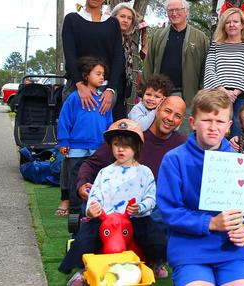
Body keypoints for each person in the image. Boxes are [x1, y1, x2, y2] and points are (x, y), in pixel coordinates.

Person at [156, 89, 244, 286]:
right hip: (189, 250)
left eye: (220, 121)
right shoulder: (174, 160)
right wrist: (210, 223)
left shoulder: (242, 162)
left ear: (229, 126)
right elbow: (170, 212)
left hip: (232, 251)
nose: (213, 127)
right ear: (193, 122)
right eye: (206, 120)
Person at [60, 119, 168, 284]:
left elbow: (151, 198)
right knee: (85, 239)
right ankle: (83, 271)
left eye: (127, 145)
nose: (121, 149)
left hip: (134, 219)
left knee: (156, 238)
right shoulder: (105, 172)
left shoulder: (144, 172)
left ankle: (155, 262)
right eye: (116, 144)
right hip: (106, 220)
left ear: (137, 147)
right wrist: (92, 209)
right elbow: (95, 195)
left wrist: (140, 207)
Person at [77, 96, 187, 201]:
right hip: (121, 205)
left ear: (181, 121)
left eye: (177, 116)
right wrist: (83, 184)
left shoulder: (183, 145)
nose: (170, 118)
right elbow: (91, 164)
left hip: (159, 209)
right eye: (167, 111)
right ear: (158, 109)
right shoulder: (131, 135)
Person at [143, 0, 209, 134]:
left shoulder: (200, 37)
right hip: (160, 94)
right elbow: (149, 63)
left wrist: (202, 94)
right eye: (170, 10)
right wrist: (145, 90)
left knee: (183, 135)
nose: (174, 13)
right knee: (157, 132)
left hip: (187, 95)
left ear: (186, 12)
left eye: (178, 9)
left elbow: (205, 67)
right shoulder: (158, 35)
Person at [62, 0, 126, 120]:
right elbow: (70, 55)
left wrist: (111, 90)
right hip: (76, 87)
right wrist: (80, 85)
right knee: (75, 133)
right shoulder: (72, 20)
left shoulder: (112, 23)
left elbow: (118, 58)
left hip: (105, 90)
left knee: (102, 135)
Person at [57, 57, 113, 216]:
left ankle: (95, 208)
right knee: (75, 177)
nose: (102, 77)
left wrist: (110, 143)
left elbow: (109, 122)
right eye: (98, 74)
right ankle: (75, 210)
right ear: (86, 75)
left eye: (103, 74)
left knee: (96, 177)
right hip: (76, 147)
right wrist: (63, 141)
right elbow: (64, 119)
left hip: (98, 147)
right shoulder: (75, 98)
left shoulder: (104, 99)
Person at [204, 8, 244, 137]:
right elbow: (210, 70)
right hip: (218, 93)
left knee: (239, 129)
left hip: (242, 94)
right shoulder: (216, 45)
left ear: (242, 25)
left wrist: (235, 92)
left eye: (235, 21)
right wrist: (223, 90)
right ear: (223, 25)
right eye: (228, 22)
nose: (232, 25)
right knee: (215, 129)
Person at [111, 2, 141, 112]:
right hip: (107, 90)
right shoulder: (107, 38)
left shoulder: (128, 41)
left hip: (122, 92)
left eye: (129, 18)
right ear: (114, 17)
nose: (126, 20)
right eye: (122, 16)